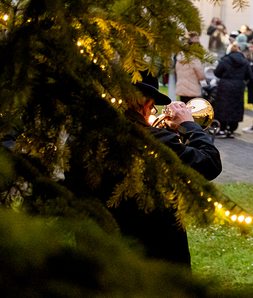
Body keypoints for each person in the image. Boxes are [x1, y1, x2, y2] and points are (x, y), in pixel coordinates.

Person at [66, 72, 221, 267]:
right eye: (153, 107)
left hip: (97, 260)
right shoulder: (154, 141)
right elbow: (210, 163)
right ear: (147, 104)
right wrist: (188, 125)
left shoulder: (78, 137)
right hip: (153, 261)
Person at [213, 41, 251, 138]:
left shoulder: (225, 60)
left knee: (223, 107)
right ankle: (232, 129)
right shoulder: (244, 61)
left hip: (225, 86)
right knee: (236, 107)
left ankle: (222, 129)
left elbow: (217, 72)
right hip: (238, 86)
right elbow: (249, 75)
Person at [174, 31, 206, 102]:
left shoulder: (179, 57)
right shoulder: (194, 58)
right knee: (192, 107)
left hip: (181, 88)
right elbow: (201, 74)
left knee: (183, 105)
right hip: (192, 88)